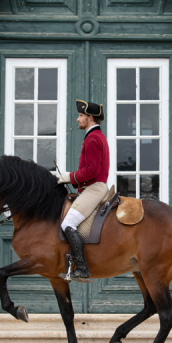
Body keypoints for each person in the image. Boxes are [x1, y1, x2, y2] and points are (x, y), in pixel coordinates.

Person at [57, 100, 110, 282]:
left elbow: (92, 171)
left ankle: (83, 269)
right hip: (92, 187)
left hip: (94, 188)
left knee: (67, 223)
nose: (78, 119)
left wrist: (69, 177)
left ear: (90, 117)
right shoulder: (94, 136)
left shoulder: (93, 138)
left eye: (81, 116)